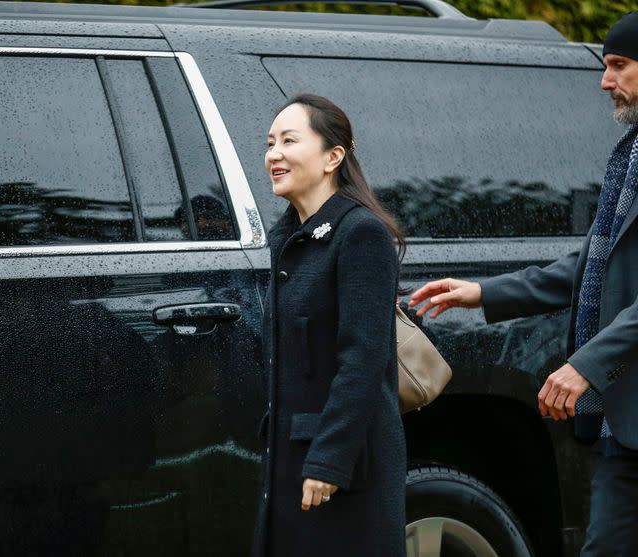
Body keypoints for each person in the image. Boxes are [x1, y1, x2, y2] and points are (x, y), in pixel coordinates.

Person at [408, 12, 638, 556]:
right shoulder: (628, 155)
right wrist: (484, 292)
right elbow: (592, 268)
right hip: (623, 424)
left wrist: (587, 364)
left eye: (620, 66)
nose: (605, 81)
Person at [253, 93, 406, 557]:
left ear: (333, 156)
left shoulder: (360, 234)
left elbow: (363, 359)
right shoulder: (286, 237)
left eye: (289, 141)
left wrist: (329, 460)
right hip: (291, 459)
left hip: (341, 468)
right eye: (269, 142)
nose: (273, 154)